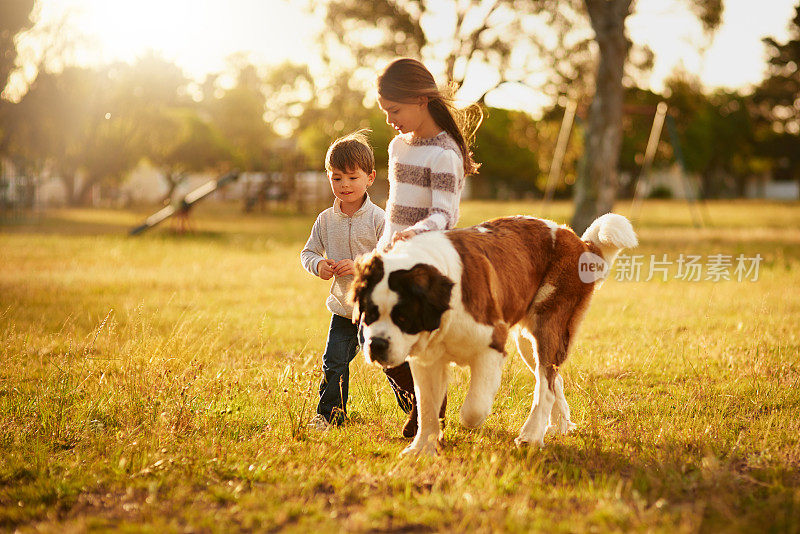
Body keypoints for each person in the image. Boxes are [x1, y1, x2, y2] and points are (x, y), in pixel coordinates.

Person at [374, 57, 483, 438]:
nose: (390, 119)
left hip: (423, 261)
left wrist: (415, 233)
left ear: (421, 100)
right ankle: (423, 405)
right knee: (371, 333)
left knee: (409, 332)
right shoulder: (397, 147)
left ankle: (427, 410)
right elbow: (392, 209)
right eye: (386, 111)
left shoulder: (445, 154)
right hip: (392, 254)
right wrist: (382, 247)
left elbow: (445, 215)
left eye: (395, 110)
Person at [301, 130, 385, 429]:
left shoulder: (378, 219)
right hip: (342, 309)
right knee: (333, 361)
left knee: (391, 362)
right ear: (328, 177)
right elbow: (308, 252)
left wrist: (360, 265)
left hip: (375, 308)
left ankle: (417, 408)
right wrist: (319, 264)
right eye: (337, 178)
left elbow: (390, 258)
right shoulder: (325, 219)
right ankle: (330, 416)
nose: (344, 185)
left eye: (352, 177)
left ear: (370, 177)